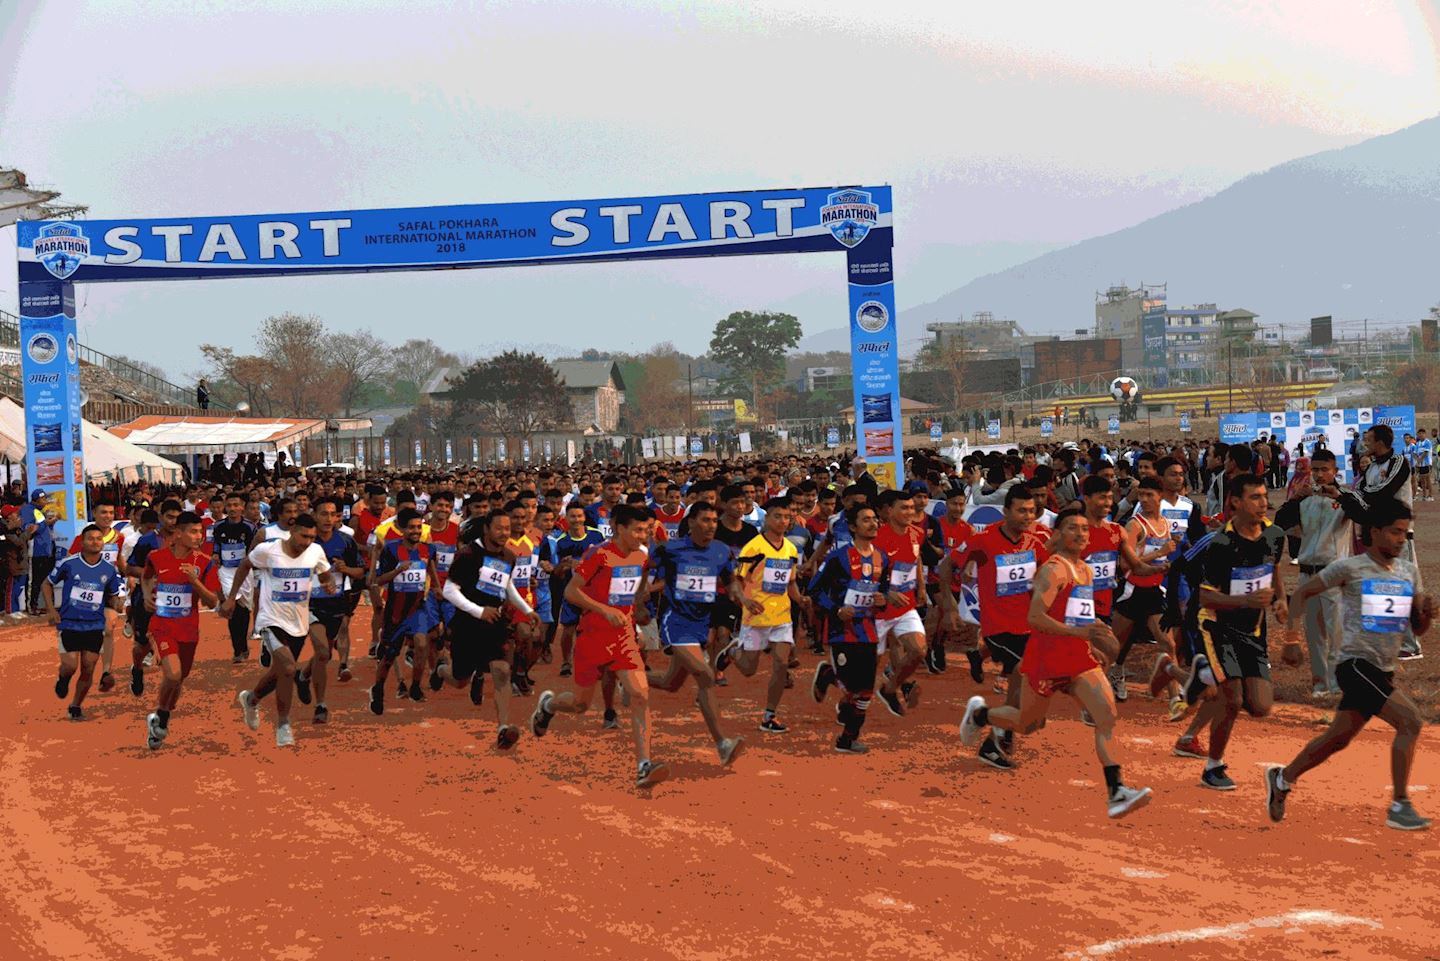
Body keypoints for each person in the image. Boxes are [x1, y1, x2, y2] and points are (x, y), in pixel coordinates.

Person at [958, 508, 1152, 819]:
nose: (1081, 533)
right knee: (1028, 724)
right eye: (1073, 528)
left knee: (1106, 716)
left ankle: (1117, 790)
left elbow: (1078, 616)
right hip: (1045, 660)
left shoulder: (1085, 570)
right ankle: (981, 715)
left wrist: (1088, 642)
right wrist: (1078, 632)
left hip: (1077, 658)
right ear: (1058, 535)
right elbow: (1035, 618)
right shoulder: (1053, 570)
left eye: (1084, 529)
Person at [1267, 500, 1437, 831]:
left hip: (1383, 667)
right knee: (1411, 721)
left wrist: (1425, 616)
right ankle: (1400, 806)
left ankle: (1283, 778)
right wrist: (1290, 639)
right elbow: (1302, 594)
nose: (1401, 539)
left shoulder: (1408, 572)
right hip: (1356, 664)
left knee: (1337, 739)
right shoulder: (1351, 568)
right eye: (1395, 532)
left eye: (1405, 532)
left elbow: (1415, 629)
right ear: (1374, 532)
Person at [531, 504, 671, 788]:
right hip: (593, 636)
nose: (644, 536)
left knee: (640, 694)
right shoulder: (599, 554)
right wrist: (603, 610)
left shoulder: (642, 555)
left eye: (647, 530)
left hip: (624, 636)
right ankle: (548, 705)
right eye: (638, 530)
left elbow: (636, 588)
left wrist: (637, 613)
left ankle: (644, 764)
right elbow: (571, 592)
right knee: (581, 703)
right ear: (620, 528)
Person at [937, 485, 1050, 770]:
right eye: (1021, 510)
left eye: (1031, 511)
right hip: (997, 627)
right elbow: (947, 566)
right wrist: (950, 605)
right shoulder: (984, 540)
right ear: (1006, 512)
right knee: (1022, 676)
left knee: (1026, 687)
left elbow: (1046, 579)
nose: (1028, 515)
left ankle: (995, 726)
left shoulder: (1034, 544)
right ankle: (992, 733)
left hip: (1028, 626)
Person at [1188, 474, 1289, 791]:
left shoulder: (1274, 535)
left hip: (1253, 629)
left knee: (1259, 707)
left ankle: (1204, 678)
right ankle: (1213, 768)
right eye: (1255, 497)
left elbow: (1273, 570)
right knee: (1232, 700)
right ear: (1235, 502)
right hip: (1217, 625)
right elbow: (1205, 597)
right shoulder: (1221, 543)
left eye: (1264, 496)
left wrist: (1280, 600)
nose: (1264, 503)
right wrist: (1245, 600)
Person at [637, 501, 745, 765]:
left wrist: (739, 596)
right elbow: (645, 566)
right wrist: (640, 597)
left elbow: (729, 580)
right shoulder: (670, 549)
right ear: (691, 522)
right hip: (676, 621)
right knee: (706, 676)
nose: (711, 526)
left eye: (714, 521)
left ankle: (631, 678)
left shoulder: (720, 551)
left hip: (701, 622)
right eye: (706, 520)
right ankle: (723, 743)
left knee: (670, 684)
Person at [221, 513, 335, 746]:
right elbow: (245, 565)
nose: (307, 542)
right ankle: (283, 724)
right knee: (289, 667)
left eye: (312, 538)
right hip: (271, 619)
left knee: (281, 671)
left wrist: (328, 583)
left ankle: (252, 699)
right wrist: (232, 598)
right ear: (292, 531)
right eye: (303, 536)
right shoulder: (269, 550)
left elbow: (324, 573)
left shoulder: (315, 552)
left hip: (299, 621)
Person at [438, 510, 539, 749]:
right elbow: (449, 591)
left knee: (503, 670)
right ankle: (441, 670)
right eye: (499, 528)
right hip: (468, 625)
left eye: (507, 528)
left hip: (496, 625)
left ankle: (503, 728)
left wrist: (526, 610)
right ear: (486, 529)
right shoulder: (468, 555)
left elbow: (508, 585)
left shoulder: (508, 556)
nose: (504, 533)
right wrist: (478, 610)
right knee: (459, 679)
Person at [1273, 449, 1363, 696]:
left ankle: (1339, 685)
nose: (1320, 475)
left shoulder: (1345, 496)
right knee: (1314, 634)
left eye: (1325, 470)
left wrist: (1341, 496)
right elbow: (1279, 522)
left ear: (1335, 471)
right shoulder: (1305, 498)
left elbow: (1365, 515)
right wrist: (1294, 499)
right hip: (1308, 573)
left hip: (1335, 573)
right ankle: (1321, 685)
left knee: (1337, 633)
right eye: (1316, 470)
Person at [809, 503, 895, 753]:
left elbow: (883, 590)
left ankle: (847, 738)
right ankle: (829, 676)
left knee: (865, 692)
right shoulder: (838, 557)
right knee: (851, 688)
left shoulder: (883, 558)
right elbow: (815, 589)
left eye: (875, 519)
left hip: (868, 630)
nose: (873, 523)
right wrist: (836, 609)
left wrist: (882, 600)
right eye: (866, 519)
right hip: (841, 630)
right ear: (853, 526)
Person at [716, 498, 807, 733]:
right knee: (748, 669)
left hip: (782, 616)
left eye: (787, 517)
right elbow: (736, 581)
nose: (783, 521)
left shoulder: (790, 549)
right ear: (767, 518)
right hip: (755, 616)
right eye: (777, 516)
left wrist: (801, 600)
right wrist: (745, 600)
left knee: (781, 663)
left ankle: (769, 715)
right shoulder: (753, 548)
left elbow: (791, 583)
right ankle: (733, 652)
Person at [140, 511, 221, 750]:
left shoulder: (205, 563)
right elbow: (146, 577)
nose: (199, 536)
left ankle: (161, 717)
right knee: (173, 674)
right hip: (162, 626)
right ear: (177, 534)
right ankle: (161, 718)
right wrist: (146, 595)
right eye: (193, 532)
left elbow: (213, 602)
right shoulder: (157, 557)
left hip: (188, 631)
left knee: (178, 680)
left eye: (201, 532)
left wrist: (195, 582)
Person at [295, 497, 366, 723]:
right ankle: (321, 705)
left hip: (336, 602)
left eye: (332, 514)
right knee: (324, 652)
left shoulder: (346, 541)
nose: (328, 518)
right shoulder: (304, 541)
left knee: (322, 654)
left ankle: (303, 675)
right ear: (314, 515)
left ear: (338, 517)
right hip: (309, 603)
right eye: (323, 514)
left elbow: (360, 572)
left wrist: (346, 569)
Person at [43, 525, 125, 720]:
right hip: (70, 623)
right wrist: (52, 610)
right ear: (82, 541)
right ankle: (63, 679)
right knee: (70, 666)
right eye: (91, 539)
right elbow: (46, 584)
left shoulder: (108, 569)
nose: (95, 542)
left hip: (94, 625)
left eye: (99, 539)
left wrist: (118, 604)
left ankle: (76, 705)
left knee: (88, 668)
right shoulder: (68, 563)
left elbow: (113, 595)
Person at [370, 508, 434, 711]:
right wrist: (398, 570)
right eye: (412, 528)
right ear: (402, 529)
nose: (416, 531)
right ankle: (378, 689)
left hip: (418, 607)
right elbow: (378, 580)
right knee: (389, 656)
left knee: (421, 643)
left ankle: (415, 686)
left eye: (419, 527)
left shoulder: (428, 549)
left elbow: (431, 570)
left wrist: (438, 590)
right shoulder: (390, 549)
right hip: (396, 610)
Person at [211, 494, 257, 663]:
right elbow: (216, 545)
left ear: (241, 507)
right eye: (229, 505)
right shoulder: (218, 526)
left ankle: (243, 645)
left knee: (244, 609)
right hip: (226, 571)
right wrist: (215, 554)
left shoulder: (250, 527)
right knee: (231, 607)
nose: (232, 508)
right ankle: (237, 650)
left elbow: (254, 549)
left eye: (235, 505)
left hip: (244, 571)